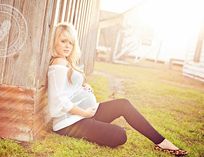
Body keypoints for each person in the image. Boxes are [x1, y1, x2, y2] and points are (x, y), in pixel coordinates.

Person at [47, 22, 188, 156]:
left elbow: (67, 88)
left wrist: (83, 86)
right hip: (69, 123)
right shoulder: (58, 63)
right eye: (63, 41)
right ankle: (94, 126)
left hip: (84, 115)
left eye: (70, 42)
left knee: (123, 104)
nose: (67, 46)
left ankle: (162, 142)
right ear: (55, 41)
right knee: (120, 135)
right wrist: (84, 113)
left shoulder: (65, 61)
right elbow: (59, 100)